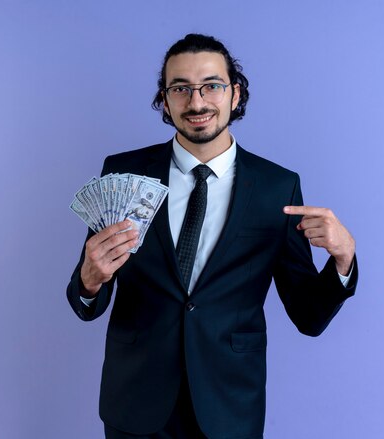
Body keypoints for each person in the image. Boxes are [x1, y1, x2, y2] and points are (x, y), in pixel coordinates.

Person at [67, 33, 358, 439]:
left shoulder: (277, 188)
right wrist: (89, 279)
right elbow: (86, 304)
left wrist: (343, 260)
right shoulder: (123, 172)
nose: (197, 101)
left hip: (229, 406)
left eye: (212, 86)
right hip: (135, 401)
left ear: (235, 94)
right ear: (165, 101)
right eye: (181, 88)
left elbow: (309, 316)